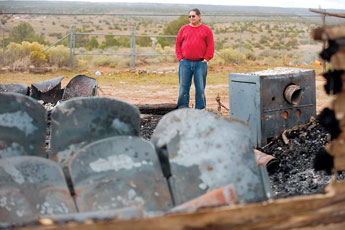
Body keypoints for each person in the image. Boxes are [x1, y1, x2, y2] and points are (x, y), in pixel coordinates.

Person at [175, 8, 214, 110]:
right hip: (185, 63)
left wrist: (206, 58)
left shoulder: (206, 30)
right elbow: (178, 44)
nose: (191, 18)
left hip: (200, 63)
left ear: (199, 16)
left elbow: (210, 45)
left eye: (193, 16)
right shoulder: (183, 29)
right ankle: (182, 109)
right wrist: (180, 58)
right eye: (189, 16)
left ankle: (200, 109)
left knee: (200, 88)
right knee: (183, 88)